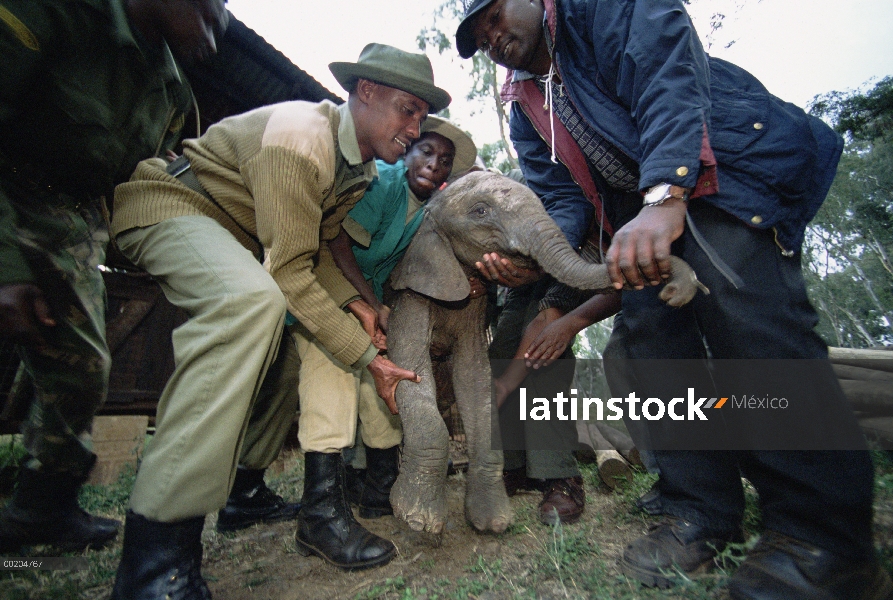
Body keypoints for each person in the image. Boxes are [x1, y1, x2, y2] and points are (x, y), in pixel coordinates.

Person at [456, 1, 893, 598]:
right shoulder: (526, 106)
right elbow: (560, 201)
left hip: (726, 168)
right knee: (650, 345)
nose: (493, 37)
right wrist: (528, 257)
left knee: (753, 334)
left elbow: (667, 72)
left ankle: (823, 539)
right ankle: (697, 511)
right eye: (479, 36)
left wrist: (665, 194)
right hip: (635, 212)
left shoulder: (601, 8)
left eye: (495, 14)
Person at [108, 43, 447, 595]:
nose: (415, 127)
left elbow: (314, 248)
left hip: (233, 237)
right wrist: (369, 358)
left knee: (314, 329)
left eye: (422, 116)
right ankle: (155, 561)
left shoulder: (356, 169)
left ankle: (286, 505)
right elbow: (288, 275)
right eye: (407, 109)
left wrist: (358, 305)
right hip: (171, 204)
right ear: (365, 92)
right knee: (252, 303)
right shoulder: (302, 137)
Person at [0, 0, 228, 554]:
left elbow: (145, 176)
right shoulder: (57, 16)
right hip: (11, 195)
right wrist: (5, 265)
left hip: (75, 222)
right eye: (204, 13)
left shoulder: (171, 91)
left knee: (77, 363)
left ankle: (39, 508)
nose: (213, 36)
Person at [327, 115, 477, 518]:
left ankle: (370, 482)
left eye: (445, 160)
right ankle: (360, 484)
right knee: (348, 380)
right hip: (335, 285)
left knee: (373, 379)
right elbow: (338, 243)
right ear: (406, 153)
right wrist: (370, 303)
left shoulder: (430, 209)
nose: (435, 164)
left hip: (369, 296)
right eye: (426, 152)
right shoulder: (385, 183)